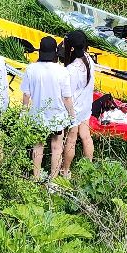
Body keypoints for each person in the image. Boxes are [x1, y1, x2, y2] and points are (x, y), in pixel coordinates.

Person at [18, 35, 73, 181]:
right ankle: (53, 180)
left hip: (38, 115)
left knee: (38, 145)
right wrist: (72, 115)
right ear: (55, 52)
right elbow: (66, 97)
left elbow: (26, 94)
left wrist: (24, 111)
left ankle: (36, 177)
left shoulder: (31, 69)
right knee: (56, 146)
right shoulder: (62, 71)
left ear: (40, 51)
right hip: (56, 116)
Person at [57, 30, 96, 171]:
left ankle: (66, 170)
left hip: (75, 110)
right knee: (86, 136)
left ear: (72, 48)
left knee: (71, 140)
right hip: (86, 106)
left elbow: (67, 95)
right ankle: (89, 168)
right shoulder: (89, 59)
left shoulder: (72, 70)